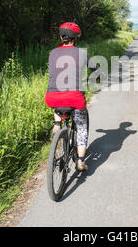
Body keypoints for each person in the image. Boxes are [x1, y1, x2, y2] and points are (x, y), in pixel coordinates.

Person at [44, 22, 101, 172]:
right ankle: (81, 162)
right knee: (81, 127)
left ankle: (57, 124)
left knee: (57, 99)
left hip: (52, 96)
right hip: (74, 98)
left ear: (61, 36)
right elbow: (95, 69)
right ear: (75, 38)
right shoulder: (81, 53)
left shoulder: (53, 52)